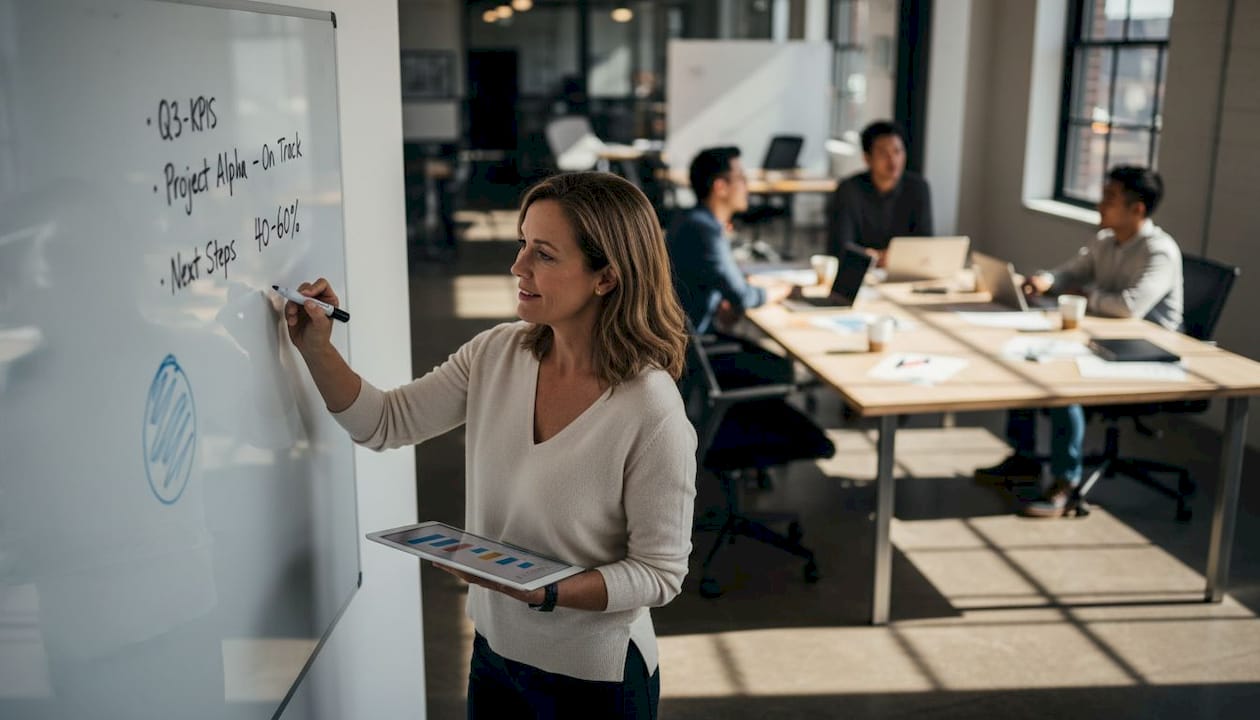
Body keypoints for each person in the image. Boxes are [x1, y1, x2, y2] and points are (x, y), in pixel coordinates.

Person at [283, 172, 697, 718]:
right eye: (522, 243)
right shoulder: (496, 354)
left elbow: (659, 574)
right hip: (495, 654)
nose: (517, 266)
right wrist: (316, 349)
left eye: (543, 254)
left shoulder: (650, 406)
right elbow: (383, 422)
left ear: (606, 278)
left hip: (596, 678)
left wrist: (546, 591)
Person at [977, 166, 1183, 518]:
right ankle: (1024, 458)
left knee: (1063, 381)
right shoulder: (1105, 240)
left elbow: (1128, 308)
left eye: (1110, 198)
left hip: (1143, 355)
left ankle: (1065, 482)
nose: (1100, 204)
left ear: (1138, 209)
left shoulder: (1159, 251)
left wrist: (1083, 293)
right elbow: (1071, 272)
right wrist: (1046, 280)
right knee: (1026, 356)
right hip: (1101, 341)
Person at [668, 146, 793, 335]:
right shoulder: (705, 230)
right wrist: (784, 290)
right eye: (741, 178)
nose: (747, 186)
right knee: (778, 365)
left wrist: (722, 298)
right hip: (693, 348)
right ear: (720, 187)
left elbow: (712, 279)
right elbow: (743, 297)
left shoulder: (690, 220)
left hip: (687, 338)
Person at [826, 120, 933, 263]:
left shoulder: (918, 188)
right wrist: (879, 258)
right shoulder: (848, 190)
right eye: (883, 153)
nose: (893, 160)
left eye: (897, 151)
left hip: (905, 272)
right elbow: (839, 246)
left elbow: (926, 244)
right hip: (861, 272)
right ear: (867, 158)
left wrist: (884, 257)